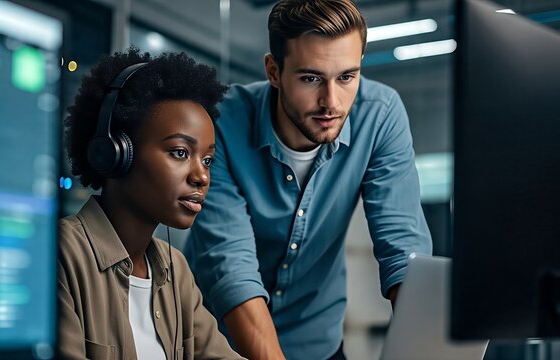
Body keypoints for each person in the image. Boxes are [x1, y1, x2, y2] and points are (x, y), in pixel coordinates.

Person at [185, 0, 433, 359]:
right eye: (311, 78)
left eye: (347, 77)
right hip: (222, 344)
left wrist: (421, 348)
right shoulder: (219, 123)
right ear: (273, 71)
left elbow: (402, 248)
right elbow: (230, 268)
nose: (331, 102)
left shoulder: (380, 115)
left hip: (320, 342)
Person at [58, 47, 244, 359]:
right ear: (117, 152)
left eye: (208, 160)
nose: (202, 176)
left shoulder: (175, 268)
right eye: (180, 152)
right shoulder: (62, 255)